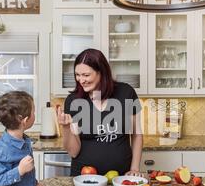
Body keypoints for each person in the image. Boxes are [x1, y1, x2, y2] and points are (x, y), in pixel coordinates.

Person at [57, 48, 143, 176]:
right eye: (77, 75)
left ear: (101, 72)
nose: (81, 80)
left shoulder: (126, 92)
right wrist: (65, 127)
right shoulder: (73, 101)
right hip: (84, 178)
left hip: (121, 177)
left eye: (86, 75)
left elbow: (137, 135)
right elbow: (73, 152)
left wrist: (135, 168)